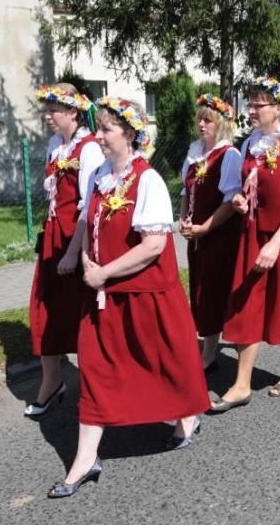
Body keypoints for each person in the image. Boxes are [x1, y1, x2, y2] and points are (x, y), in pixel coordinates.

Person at [47, 97, 210, 499]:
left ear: (131, 135)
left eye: (106, 130)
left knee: (165, 361)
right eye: (98, 128)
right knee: (95, 367)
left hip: (146, 295)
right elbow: (86, 220)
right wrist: (77, 255)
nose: (99, 136)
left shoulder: (148, 180)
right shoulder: (99, 175)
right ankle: (85, 459)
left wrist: (103, 272)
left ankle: (187, 414)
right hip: (103, 295)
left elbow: (154, 245)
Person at [212, 76, 280, 412]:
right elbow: (243, 188)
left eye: (258, 105)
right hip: (253, 232)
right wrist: (240, 200)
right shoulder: (249, 144)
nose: (252, 111)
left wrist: (275, 244)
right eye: (251, 104)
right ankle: (241, 384)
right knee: (245, 302)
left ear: (278, 109)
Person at [26, 83, 104, 417]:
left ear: (73, 111)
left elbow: (89, 206)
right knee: (44, 309)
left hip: (76, 238)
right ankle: (52, 380)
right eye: (46, 110)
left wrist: (74, 252)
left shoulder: (89, 148)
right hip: (53, 236)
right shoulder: (55, 145)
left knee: (81, 313)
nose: (47, 116)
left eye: (53, 110)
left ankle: (93, 384)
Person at [179, 94, 242, 373]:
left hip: (219, 236)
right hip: (197, 236)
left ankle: (211, 352)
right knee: (200, 289)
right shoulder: (195, 153)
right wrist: (183, 220)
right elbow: (186, 192)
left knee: (213, 291)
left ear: (221, 124)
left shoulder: (228, 155)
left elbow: (230, 200)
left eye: (209, 120)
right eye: (200, 120)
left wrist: (205, 228)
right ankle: (210, 344)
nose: (202, 125)